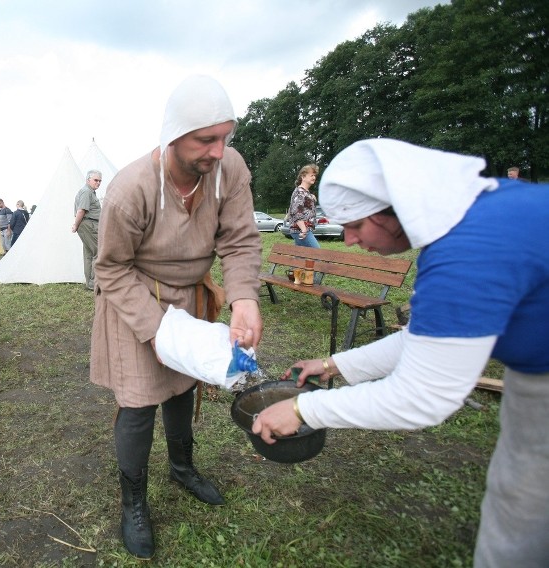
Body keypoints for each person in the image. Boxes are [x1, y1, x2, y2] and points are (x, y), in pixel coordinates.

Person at [251, 139, 549, 568]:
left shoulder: (468, 253)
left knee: (522, 517)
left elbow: (422, 396)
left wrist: (302, 409)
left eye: (355, 226)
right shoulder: (478, 216)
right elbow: (427, 340)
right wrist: (335, 364)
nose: (349, 240)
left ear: (394, 209)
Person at [91, 75, 263, 559]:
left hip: (189, 294)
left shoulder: (229, 169)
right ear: (173, 136)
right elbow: (110, 268)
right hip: (136, 296)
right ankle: (134, 502)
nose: (217, 150)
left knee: (183, 385)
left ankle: (182, 468)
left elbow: (240, 238)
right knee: (141, 399)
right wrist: (157, 328)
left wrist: (245, 296)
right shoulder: (130, 189)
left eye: (225, 137)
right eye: (205, 139)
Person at [72, 170, 102, 291]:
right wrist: (75, 225)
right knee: (98, 252)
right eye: (96, 180)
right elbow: (81, 211)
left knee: (89, 254)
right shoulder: (86, 192)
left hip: (88, 224)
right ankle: (94, 282)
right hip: (88, 224)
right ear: (88, 179)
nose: (98, 183)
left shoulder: (91, 192)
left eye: (100, 181)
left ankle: (90, 283)